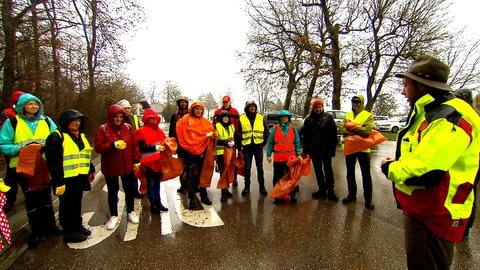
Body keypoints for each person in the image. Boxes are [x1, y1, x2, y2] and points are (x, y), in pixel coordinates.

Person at [381, 55, 480, 269]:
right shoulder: (433, 111)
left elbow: (426, 171)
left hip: (433, 213)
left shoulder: (449, 117)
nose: (403, 91)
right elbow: (425, 155)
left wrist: (390, 167)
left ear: (422, 86)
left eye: (406, 85)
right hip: (425, 208)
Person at [0, 93, 61, 247]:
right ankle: (36, 230)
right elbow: (3, 144)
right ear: (23, 106)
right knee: (32, 199)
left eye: (36, 104)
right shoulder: (13, 122)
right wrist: (20, 149)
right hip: (23, 165)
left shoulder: (46, 121)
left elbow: (56, 134)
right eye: (30, 104)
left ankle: (50, 226)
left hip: (43, 164)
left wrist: (51, 142)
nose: (34, 107)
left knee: (46, 196)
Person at [45, 109, 95, 243]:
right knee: (67, 205)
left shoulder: (80, 135)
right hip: (65, 179)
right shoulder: (56, 137)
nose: (76, 123)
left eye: (78, 121)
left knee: (76, 203)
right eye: (73, 121)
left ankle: (78, 226)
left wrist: (90, 169)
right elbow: (53, 162)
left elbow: (84, 154)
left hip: (78, 177)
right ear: (65, 122)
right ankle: (69, 232)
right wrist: (58, 182)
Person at [94, 104, 140, 230]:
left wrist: (136, 160)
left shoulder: (128, 128)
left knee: (129, 190)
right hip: (111, 166)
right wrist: (112, 145)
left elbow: (134, 145)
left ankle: (131, 212)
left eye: (121, 116)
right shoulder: (102, 129)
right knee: (113, 192)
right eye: (116, 117)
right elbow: (98, 147)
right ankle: (113, 215)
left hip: (127, 165)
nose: (119, 119)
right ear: (110, 117)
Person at [175, 101, 216, 209]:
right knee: (190, 176)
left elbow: (212, 133)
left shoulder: (206, 122)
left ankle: (203, 195)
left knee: (203, 174)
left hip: (203, 153)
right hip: (189, 152)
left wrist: (213, 135)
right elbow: (179, 133)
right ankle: (192, 199)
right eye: (196, 109)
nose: (198, 111)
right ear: (192, 109)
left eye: (200, 109)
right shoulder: (184, 120)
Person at [338, 94, 375, 210]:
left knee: (366, 174)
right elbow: (341, 129)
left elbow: (367, 132)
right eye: (353, 101)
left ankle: (368, 199)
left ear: (361, 103)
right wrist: (355, 130)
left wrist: (352, 128)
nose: (355, 104)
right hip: (350, 148)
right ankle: (351, 194)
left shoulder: (368, 116)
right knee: (350, 173)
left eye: (357, 102)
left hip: (363, 149)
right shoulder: (348, 115)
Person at [453, 89, 480, 240]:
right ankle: (464, 225)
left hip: (471, 158)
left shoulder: (468, 115)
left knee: (466, 190)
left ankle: (463, 225)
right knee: (468, 190)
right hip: (472, 157)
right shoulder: (473, 114)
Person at [300, 99, 339, 201]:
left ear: (322, 107)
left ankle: (331, 191)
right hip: (314, 150)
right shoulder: (308, 119)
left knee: (328, 170)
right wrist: (305, 147)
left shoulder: (328, 118)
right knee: (318, 170)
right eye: (316, 107)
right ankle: (321, 189)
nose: (318, 109)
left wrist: (333, 148)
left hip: (326, 149)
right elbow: (305, 135)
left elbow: (333, 134)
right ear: (313, 108)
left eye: (319, 107)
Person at [135, 108, 168, 214]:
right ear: (146, 119)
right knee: (151, 184)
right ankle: (153, 204)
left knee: (157, 184)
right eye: (150, 119)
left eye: (154, 119)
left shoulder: (159, 131)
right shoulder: (141, 131)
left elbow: (165, 142)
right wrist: (155, 148)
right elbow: (141, 147)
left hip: (158, 162)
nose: (153, 121)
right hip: (148, 162)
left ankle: (158, 203)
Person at [266, 110, 302, 203]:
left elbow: (297, 143)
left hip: (291, 159)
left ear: (289, 118)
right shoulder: (275, 129)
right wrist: (268, 154)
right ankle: (278, 195)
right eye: (282, 117)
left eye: (286, 117)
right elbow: (270, 143)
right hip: (279, 158)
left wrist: (298, 155)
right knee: (277, 177)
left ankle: (292, 194)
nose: (284, 118)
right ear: (279, 118)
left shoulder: (293, 129)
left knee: (291, 177)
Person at [238, 100, 269, 196]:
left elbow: (266, 131)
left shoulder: (260, 117)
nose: (252, 108)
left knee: (260, 168)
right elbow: (239, 133)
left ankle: (262, 187)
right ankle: (246, 187)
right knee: (247, 168)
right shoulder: (242, 118)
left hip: (258, 147)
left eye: (253, 106)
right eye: (250, 106)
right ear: (247, 108)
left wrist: (263, 143)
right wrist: (240, 147)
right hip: (247, 147)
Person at [0, 90, 24, 212]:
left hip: (29, 151)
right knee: (11, 177)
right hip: (14, 151)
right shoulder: (8, 114)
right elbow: (5, 132)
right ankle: (9, 200)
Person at [117, 99, 142, 199]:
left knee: (134, 171)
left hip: (134, 148)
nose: (127, 110)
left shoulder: (134, 118)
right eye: (125, 108)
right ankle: (130, 191)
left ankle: (135, 190)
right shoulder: (118, 119)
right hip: (123, 149)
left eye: (128, 108)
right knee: (126, 174)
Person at [213, 95, 240, 186]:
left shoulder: (235, 112)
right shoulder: (217, 112)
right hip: (221, 149)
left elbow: (237, 125)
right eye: (223, 102)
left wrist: (235, 140)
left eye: (226, 102)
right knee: (222, 168)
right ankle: (224, 188)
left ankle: (234, 178)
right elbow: (215, 130)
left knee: (232, 164)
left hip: (231, 143)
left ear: (229, 102)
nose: (225, 103)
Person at [214, 110, 237, 202]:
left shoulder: (232, 127)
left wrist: (234, 142)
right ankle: (223, 193)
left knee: (228, 172)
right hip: (221, 153)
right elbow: (215, 140)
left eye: (227, 117)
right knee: (223, 172)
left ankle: (226, 189)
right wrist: (226, 142)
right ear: (221, 118)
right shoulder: (217, 126)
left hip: (230, 152)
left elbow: (234, 137)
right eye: (224, 117)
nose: (226, 118)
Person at [169, 96, 189, 193]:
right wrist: (172, 144)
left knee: (190, 165)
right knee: (182, 165)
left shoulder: (190, 114)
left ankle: (192, 184)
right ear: (178, 103)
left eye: (185, 102)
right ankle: (183, 185)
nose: (183, 104)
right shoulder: (175, 115)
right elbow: (171, 130)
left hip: (190, 144)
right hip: (179, 144)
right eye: (181, 102)